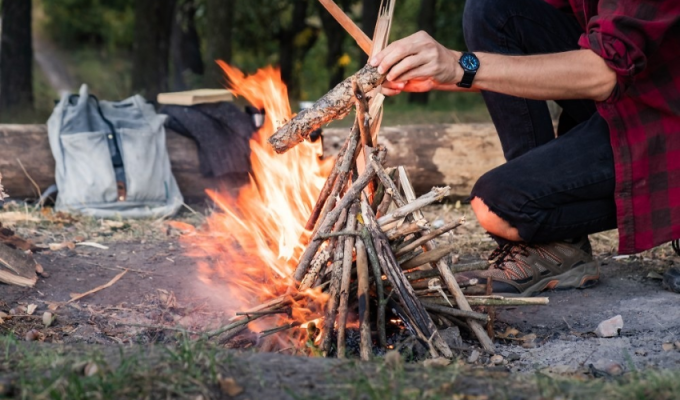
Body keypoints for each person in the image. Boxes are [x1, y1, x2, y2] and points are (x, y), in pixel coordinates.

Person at [370, 0, 680, 295]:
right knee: (492, 9)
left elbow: (603, 73)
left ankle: (543, 232)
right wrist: (436, 74)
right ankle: (555, 243)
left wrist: (460, 65)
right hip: (632, 94)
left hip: (664, 121)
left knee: (499, 207)